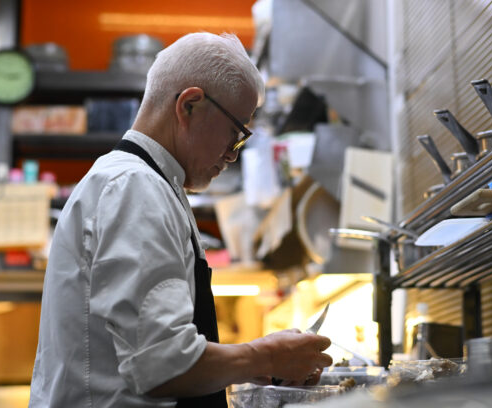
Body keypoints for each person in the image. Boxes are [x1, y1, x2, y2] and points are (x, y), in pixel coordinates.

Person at [28, 33, 332, 408]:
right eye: (236, 134)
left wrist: (258, 364)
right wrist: (265, 356)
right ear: (189, 105)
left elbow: (159, 356)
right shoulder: (133, 187)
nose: (233, 155)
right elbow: (163, 365)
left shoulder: (150, 184)